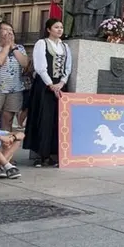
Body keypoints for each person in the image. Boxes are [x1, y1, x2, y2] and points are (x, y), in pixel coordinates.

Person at [24, 19, 72, 168]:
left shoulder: (65, 46)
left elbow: (68, 67)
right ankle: (40, 155)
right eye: (56, 27)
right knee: (42, 117)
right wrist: (51, 85)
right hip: (44, 85)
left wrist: (62, 83)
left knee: (57, 119)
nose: (59, 30)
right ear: (48, 29)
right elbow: (40, 66)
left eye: (61, 27)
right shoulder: (42, 44)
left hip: (60, 85)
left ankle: (52, 154)